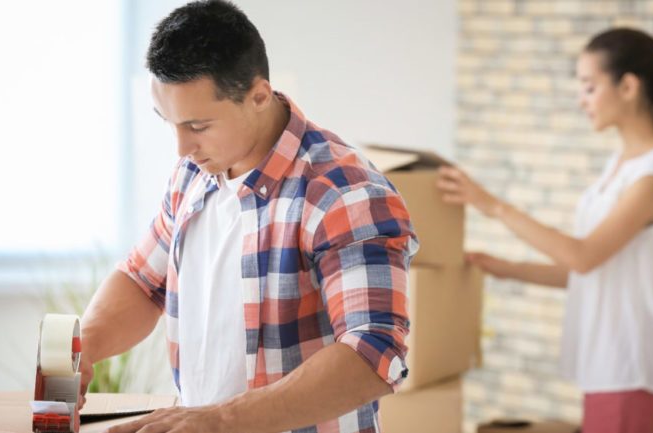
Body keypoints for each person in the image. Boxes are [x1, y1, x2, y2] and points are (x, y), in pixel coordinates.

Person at [79, 1, 418, 432]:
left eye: (198, 126)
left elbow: (373, 353)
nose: (180, 148)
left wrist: (221, 420)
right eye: (169, 123)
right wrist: (82, 348)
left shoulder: (344, 194)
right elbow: (144, 281)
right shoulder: (194, 174)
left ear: (258, 95)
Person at [438, 28, 653, 433]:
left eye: (590, 87)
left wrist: (493, 206)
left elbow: (583, 255)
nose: (582, 100)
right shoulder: (622, 166)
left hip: (631, 369)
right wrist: (507, 268)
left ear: (628, 86)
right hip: (611, 369)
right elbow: (591, 269)